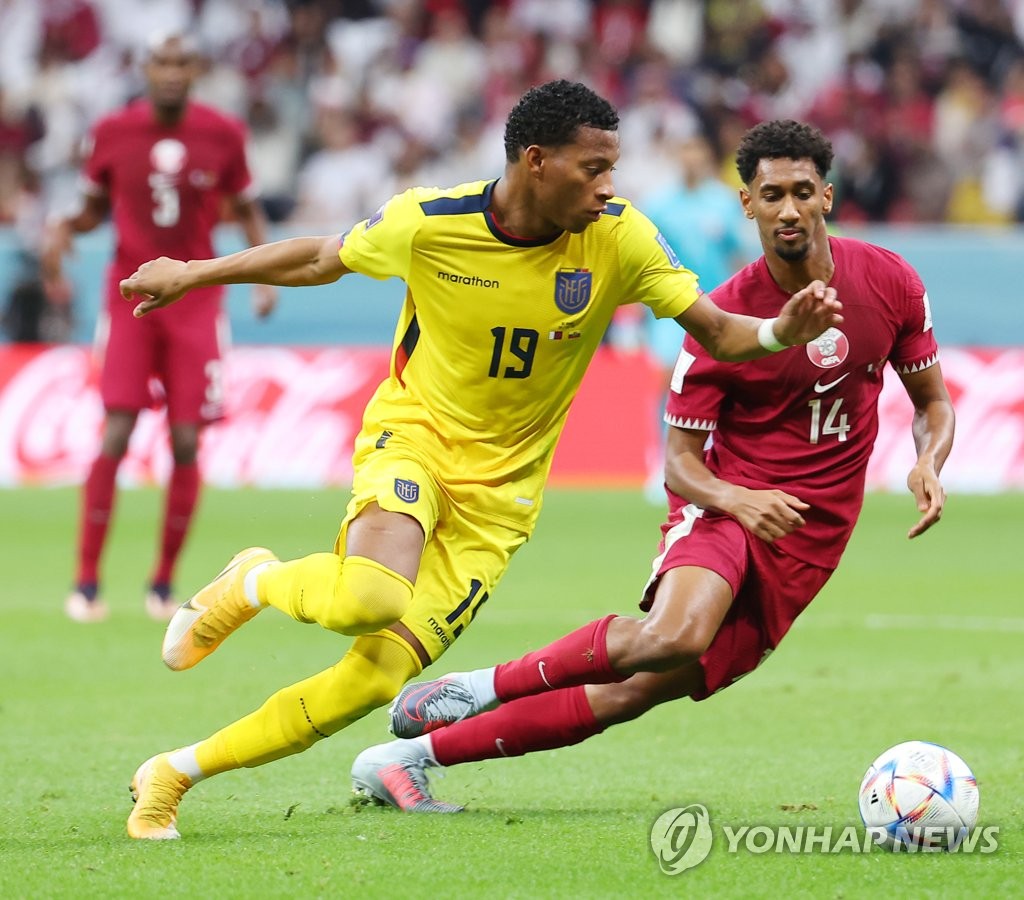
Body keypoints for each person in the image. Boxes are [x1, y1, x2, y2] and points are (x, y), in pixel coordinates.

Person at [117, 84, 841, 839]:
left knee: (371, 679)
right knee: (369, 596)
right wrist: (196, 273)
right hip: (417, 442)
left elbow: (718, 332)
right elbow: (319, 259)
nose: (608, 187)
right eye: (593, 169)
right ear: (536, 161)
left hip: (499, 505)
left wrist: (776, 334)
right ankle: (256, 580)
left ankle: (173, 774)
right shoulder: (429, 222)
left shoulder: (621, 238)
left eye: (612, 168)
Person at [350, 119, 955, 813]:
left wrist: (927, 462)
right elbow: (678, 467)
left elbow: (931, 401)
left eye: (801, 192)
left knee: (631, 691)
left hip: (813, 538)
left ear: (827, 196)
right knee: (674, 632)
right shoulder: (720, 323)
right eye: (771, 194)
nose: (788, 209)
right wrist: (738, 499)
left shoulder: (891, 282)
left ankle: (402, 760)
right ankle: (479, 687)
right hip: (725, 509)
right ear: (747, 205)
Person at [41, 31, 277, 624]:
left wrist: (265, 273)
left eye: (180, 62)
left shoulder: (222, 134)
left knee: (187, 439)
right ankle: (87, 582)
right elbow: (94, 207)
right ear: (145, 68)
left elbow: (245, 206)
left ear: (194, 69)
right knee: (116, 432)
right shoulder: (114, 132)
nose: (171, 72)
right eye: (161, 62)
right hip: (129, 294)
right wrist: (66, 228)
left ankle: (164, 583)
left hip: (195, 297)